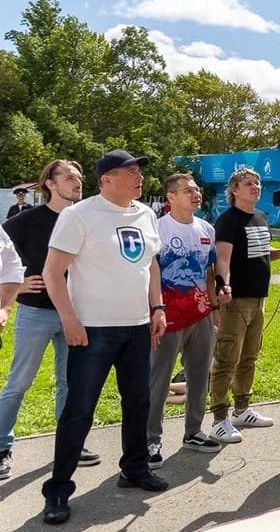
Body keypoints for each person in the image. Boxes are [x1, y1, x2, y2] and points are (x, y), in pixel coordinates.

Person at [40, 150, 169, 525]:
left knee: (138, 402)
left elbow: (152, 264)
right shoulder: (78, 215)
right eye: (130, 171)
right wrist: (69, 318)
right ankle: (59, 489)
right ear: (106, 180)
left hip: (136, 327)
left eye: (139, 172)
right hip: (92, 330)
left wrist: (157, 308)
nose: (139, 177)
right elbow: (52, 272)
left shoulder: (145, 214)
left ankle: (135, 468)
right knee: (79, 411)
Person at [0, 161, 100, 481]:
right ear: (50, 185)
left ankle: (69, 445)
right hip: (35, 313)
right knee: (18, 384)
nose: (77, 182)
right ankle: (2, 446)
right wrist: (17, 286)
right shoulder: (24, 221)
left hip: (75, 313)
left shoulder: (86, 218)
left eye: (80, 177)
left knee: (70, 383)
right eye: (69, 177)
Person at [146, 174, 224, 471]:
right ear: (170, 197)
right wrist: (154, 311)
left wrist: (214, 306)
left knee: (199, 375)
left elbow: (208, 271)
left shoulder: (206, 229)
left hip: (200, 315)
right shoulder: (156, 228)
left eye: (197, 190)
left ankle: (193, 431)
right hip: (166, 318)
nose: (196, 194)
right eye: (188, 190)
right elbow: (146, 274)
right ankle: (150, 440)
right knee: (160, 380)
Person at [208, 168, 280, 444]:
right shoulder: (228, 220)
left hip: (258, 298)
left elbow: (258, 253)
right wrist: (223, 285)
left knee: (249, 356)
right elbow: (224, 258)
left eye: (257, 183)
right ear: (234, 191)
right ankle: (219, 418)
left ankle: (242, 409)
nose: (255, 187)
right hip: (236, 299)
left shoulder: (261, 217)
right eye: (248, 184)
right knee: (227, 358)